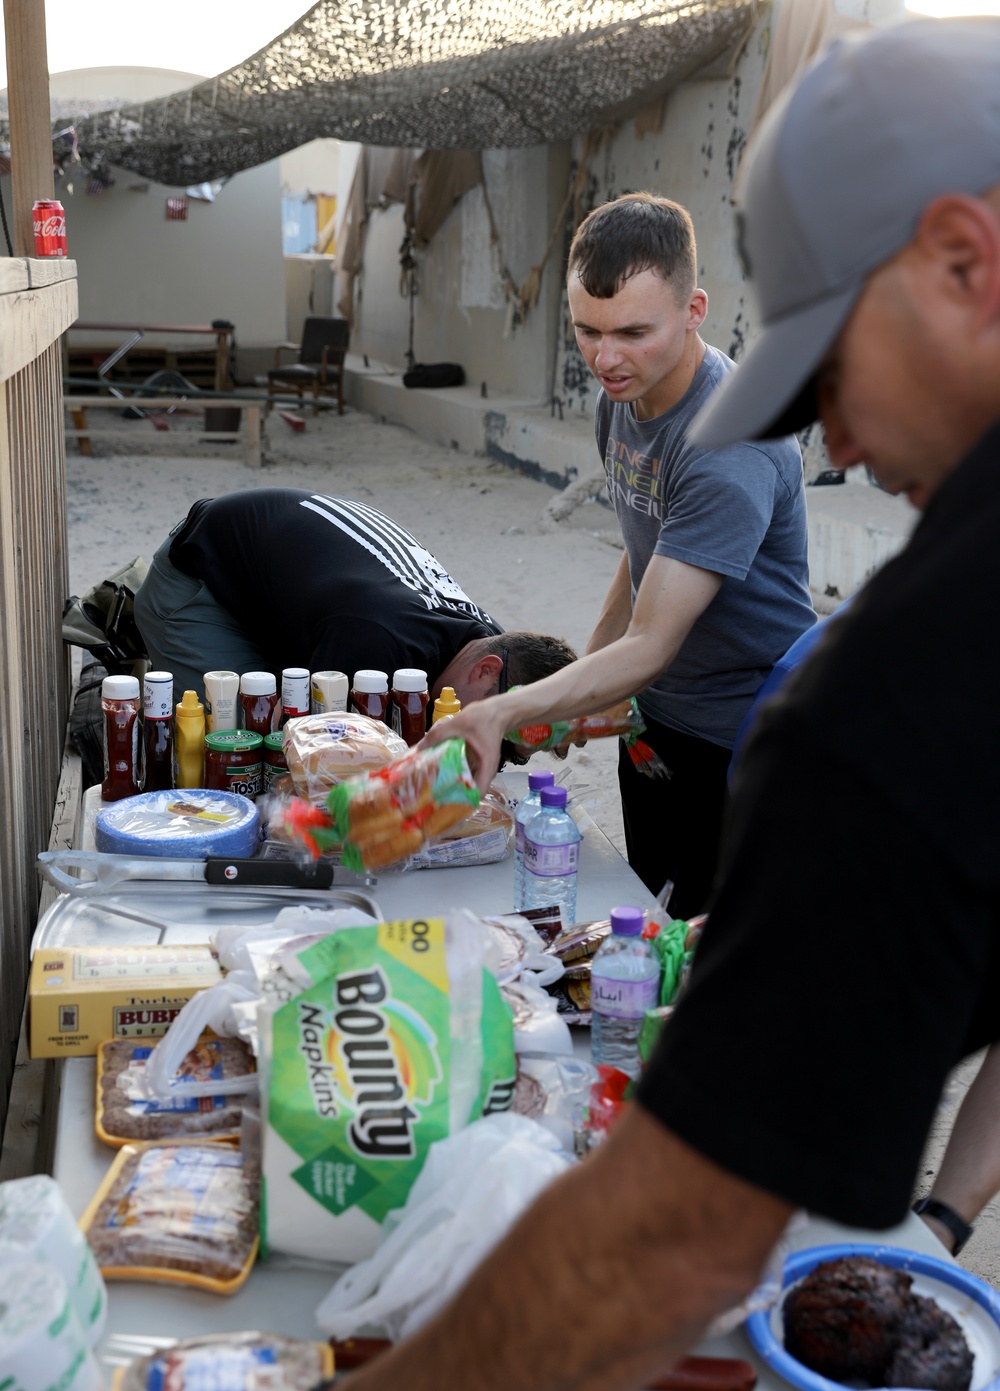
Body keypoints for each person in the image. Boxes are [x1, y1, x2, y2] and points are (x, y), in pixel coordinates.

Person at [335, 18, 1000, 1391]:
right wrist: (938, 1213)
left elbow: (675, 1244)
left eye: (831, 369)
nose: (846, 444)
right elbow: (639, 591)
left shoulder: (894, 703)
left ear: (964, 261)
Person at [426, 193, 815, 919]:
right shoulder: (621, 396)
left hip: (740, 737)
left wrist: (507, 709)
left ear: (695, 308)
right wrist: (584, 685)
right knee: (641, 909)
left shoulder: (729, 442)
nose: (605, 358)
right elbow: (645, 553)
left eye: (634, 332)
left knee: (705, 954)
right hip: (658, 720)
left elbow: (653, 640)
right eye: (587, 331)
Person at [133, 488, 576, 707]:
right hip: (201, 584)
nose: (494, 753)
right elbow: (315, 760)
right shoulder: (375, 640)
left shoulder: (487, 638)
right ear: (486, 670)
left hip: (284, 576)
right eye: (508, 744)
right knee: (244, 739)